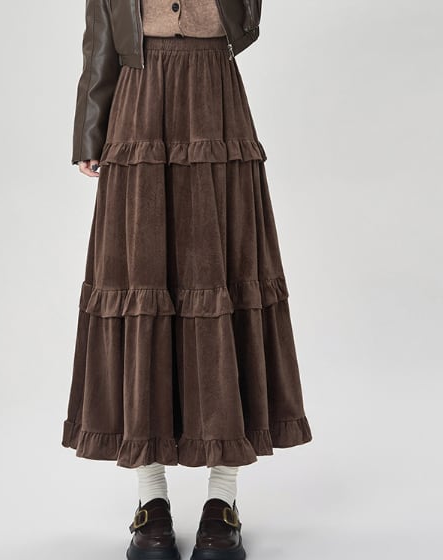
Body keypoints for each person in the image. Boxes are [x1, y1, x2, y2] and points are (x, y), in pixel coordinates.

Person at [61, 2, 313, 559]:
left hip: (215, 100)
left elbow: (247, 20)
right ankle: (150, 502)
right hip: (138, 103)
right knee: (142, 290)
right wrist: (89, 131)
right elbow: (100, 38)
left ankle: (222, 503)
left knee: (223, 282)